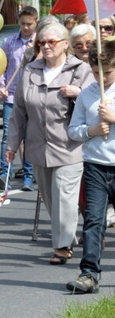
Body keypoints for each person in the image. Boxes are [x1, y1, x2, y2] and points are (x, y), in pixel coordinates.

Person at [6, 22, 94, 265]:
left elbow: (97, 103)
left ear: (65, 44)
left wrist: (79, 92)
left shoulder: (81, 69)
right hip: (38, 147)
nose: (45, 46)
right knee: (50, 198)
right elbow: (19, 112)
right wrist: (12, 144)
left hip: (70, 146)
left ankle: (62, 246)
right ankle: (68, 236)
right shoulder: (30, 70)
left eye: (51, 42)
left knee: (64, 196)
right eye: (41, 42)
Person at [66, 40, 115, 293]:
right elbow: (74, 130)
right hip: (96, 165)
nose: (102, 77)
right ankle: (89, 274)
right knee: (93, 221)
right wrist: (91, 130)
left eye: (107, 72)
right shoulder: (87, 94)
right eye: (96, 72)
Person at [0, 6, 38, 192]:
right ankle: (5, 172)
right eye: (23, 24)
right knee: (8, 135)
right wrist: (0, 86)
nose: (26, 27)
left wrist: (35, 53)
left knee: (29, 136)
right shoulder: (9, 41)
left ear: (36, 22)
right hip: (11, 95)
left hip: (31, 96)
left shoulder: (40, 43)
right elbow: (0, 66)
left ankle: (28, 175)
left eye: (29, 24)